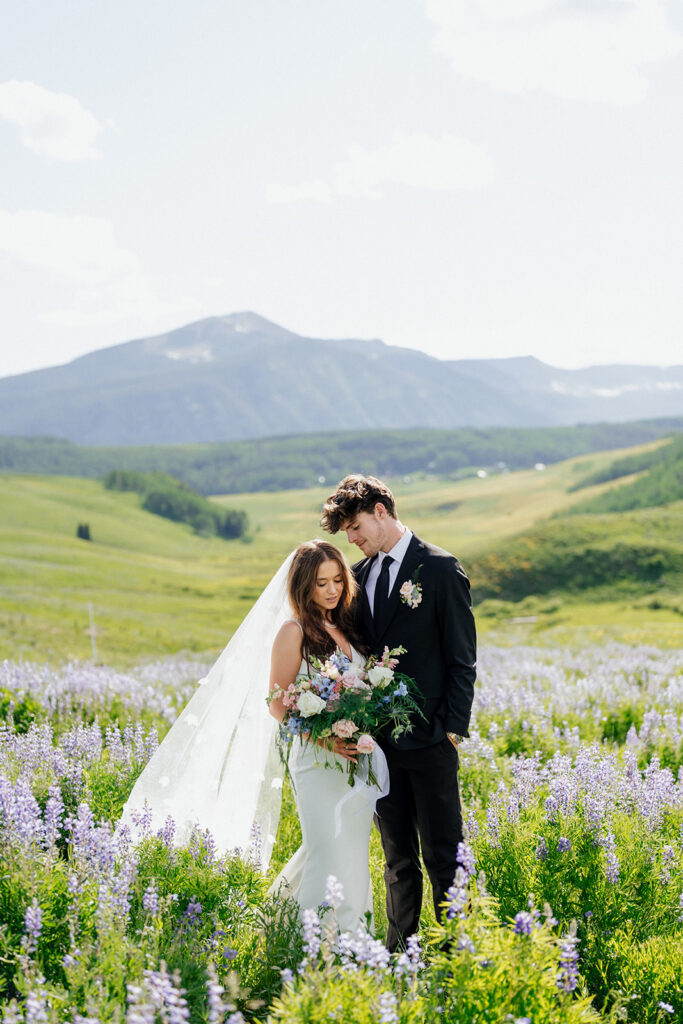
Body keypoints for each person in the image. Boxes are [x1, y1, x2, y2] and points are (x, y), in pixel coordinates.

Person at [321, 475, 476, 951]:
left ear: (382, 511)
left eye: (355, 526)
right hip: (379, 746)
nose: (351, 538)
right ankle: (400, 952)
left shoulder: (440, 569)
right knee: (397, 857)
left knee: (444, 855)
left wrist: (452, 730)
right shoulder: (358, 576)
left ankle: (456, 957)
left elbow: (462, 658)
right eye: (345, 531)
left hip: (431, 740)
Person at [267, 539, 387, 932]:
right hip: (318, 761)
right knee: (326, 848)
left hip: (356, 758)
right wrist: (326, 738)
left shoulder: (347, 628)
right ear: (304, 586)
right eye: (322, 583)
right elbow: (277, 703)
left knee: (350, 851)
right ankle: (312, 943)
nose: (333, 589)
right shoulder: (293, 631)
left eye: (338, 579)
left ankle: (352, 937)